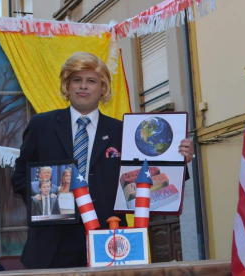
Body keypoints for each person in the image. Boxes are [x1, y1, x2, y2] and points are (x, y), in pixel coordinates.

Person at [11, 52, 194, 269]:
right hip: (52, 240)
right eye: (76, 80)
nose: (83, 86)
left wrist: (181, 158)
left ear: (103, 88)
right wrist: (45, 201)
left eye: (91, 81)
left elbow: (151, 177)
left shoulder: (124, 131)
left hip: (110, 237)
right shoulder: (41, 125)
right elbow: (20, 176)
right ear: (67, 86)